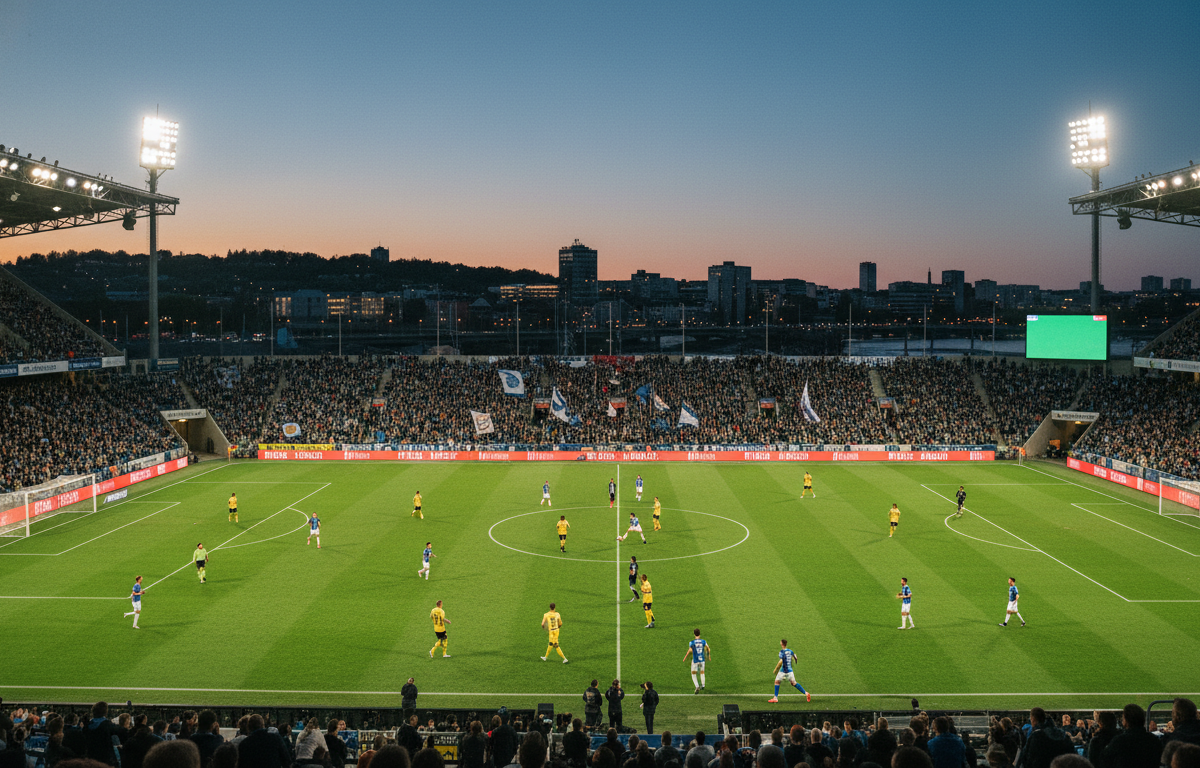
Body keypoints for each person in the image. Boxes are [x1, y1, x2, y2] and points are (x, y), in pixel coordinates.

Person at [768, 638, 810, 703]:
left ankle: (775, 698)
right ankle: (806, 693)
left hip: (783, 671)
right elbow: (795, 657)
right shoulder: (790, 651)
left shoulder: (781, 652)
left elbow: (780, 662)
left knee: (777, 682)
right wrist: (795, 661)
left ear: (781, 644)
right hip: (790, 671)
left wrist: (776, 670)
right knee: (794, 683)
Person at [85, 701, 123, 766]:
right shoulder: (107, 725)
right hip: (106, 758)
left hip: (91, 757)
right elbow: (121, 731)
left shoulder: (87, 726)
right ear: (105, 712)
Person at [685, 628, 710, 694]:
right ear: (699, 634)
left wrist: (687, 657)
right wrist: (708, 656)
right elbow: (708, 649)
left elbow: (690, 651)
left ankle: (697, 686)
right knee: (702, 672)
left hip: (695, 660)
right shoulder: (703, 641)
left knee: (693, 674)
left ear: (694, 634)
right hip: (702, 660)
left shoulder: (691, 643)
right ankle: (703, 685)